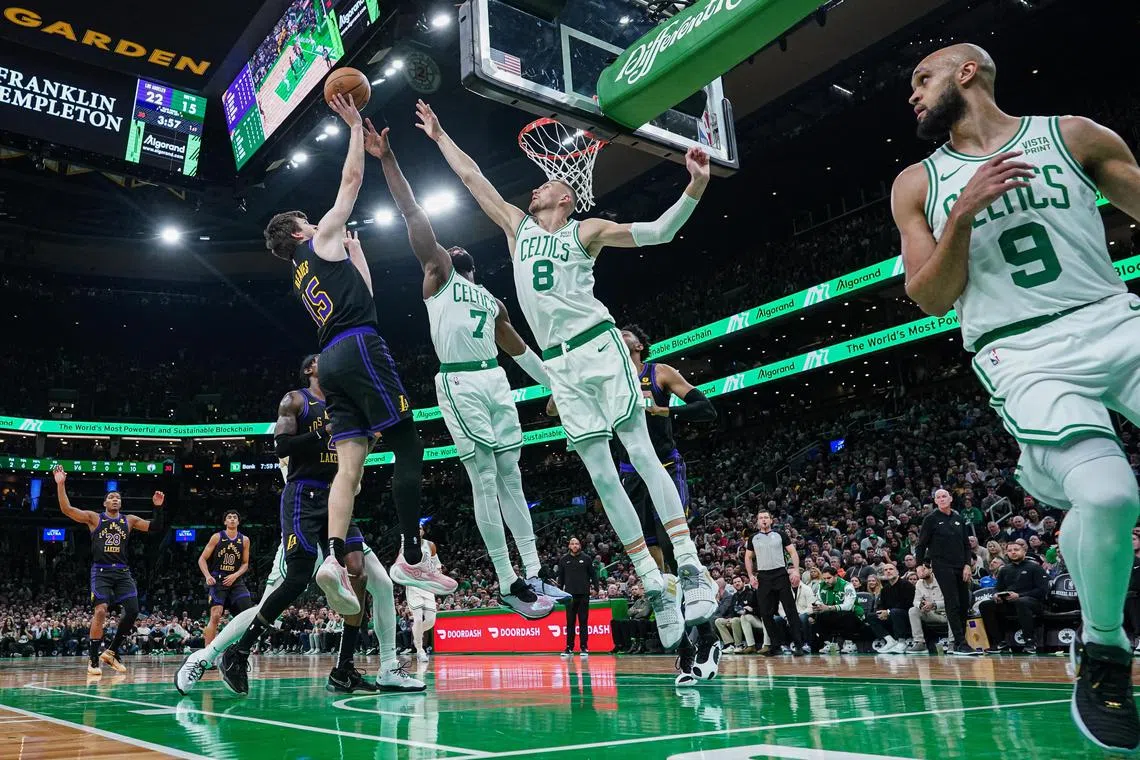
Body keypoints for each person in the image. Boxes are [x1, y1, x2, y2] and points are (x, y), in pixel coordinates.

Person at [893, 41, 1140, 751]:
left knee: (1099, 500)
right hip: (1023, 350)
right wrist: (963, 215)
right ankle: (1104, 647)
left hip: (1112, 318)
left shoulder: (1074, 135)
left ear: (967, 72)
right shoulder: (919, 182)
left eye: (924, 78)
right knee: (1109, 497)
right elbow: (929, 296)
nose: (914, 93)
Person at [417, 99, 717, 650]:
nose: (535, 188)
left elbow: (658, 232)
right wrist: (439, 136)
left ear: (567, 196)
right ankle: (652, 582)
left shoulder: (588, 229)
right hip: (559, 365)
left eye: (546, 184)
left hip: (599, 347)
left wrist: (694, 187)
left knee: (641, 452)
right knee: (602, 475)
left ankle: (691, 564)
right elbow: (472, 178)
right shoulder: (517, 228)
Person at [262, 93, 454, 615]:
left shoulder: (302, 273)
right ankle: (411, 555)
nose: (316, 223)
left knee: (351, 464)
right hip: (358, 345)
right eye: (309, 221)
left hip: (331, 358)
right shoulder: (316, 239)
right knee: (408, 443)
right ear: (299, 231)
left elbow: (362, 295)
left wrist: (357, 253)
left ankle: (331, 557)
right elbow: (350, 183)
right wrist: (352, 128)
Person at [367, 122, 560, 619]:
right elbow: (412, 211)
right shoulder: (437, 274)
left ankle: (534, 571)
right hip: (458, 380)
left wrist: (557, 384)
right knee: (485, 478)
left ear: (469, 263)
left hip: (495, 378)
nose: (445, 247)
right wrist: (388, 160)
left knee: (512, 476)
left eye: (452, 249)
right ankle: (507, 580)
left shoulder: (491, 300)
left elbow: (521, 352)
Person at [177, 355, 424, 696]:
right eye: (322, 359)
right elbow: (283, 447)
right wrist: (323, 431)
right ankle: (206, 657)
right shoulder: (296, 401)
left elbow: (355, 456)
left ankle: (365, 668)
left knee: (376, 581)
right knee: (275, 598)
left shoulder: (344, 406)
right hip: (302, 505)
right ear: (309, 369)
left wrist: (372, 436)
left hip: (336, 504)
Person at [54, 465, 164, 676]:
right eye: (111, 497)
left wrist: (157, 508)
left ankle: (111, 651)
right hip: (101, 571)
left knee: (133, 610)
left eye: (118, 498)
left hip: (122, 571)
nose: (115, 500)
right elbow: (67, 509)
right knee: (101, 610)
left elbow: (155, 527)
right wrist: (61, 484)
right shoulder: (95, 518)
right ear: (104, 503)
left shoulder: (129, 520)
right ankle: (93, 658)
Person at [914, 489, 976, 656]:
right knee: (952, 602)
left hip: (960, 566)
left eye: (944, 496)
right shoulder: (931, 519)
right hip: (942, 565)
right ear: (935, 501)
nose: (941, 499)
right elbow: (921, 544)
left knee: (964, 602)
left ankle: (960, 642)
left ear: (950, 498)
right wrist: (919, 565)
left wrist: (967, 565)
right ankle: (960, 642)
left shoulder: (959, 518)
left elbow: (966, 545)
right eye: (938, 497)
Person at [744, 510, 805, 657]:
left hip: (780, 575)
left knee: (790, 611)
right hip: (763, 577)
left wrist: (796, 571)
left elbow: (793, 552)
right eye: (761, 518)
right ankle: (776, 645)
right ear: (757, 522)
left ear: (771, 520)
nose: (764, 520)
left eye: (766, 517)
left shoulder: (780, 534)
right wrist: (751, 576)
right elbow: (748, 557)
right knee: (766, 613)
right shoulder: (753, 538)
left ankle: (798, 645)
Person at [980, 541, 1050, 654]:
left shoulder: (1035, 567)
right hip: (1010, 602)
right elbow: (998, 588)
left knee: (1021, 602)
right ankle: (999, 642)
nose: (1013, 552)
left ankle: (1030, 642)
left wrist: (1019, 595)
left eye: (1016, 550)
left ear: (1024, 551)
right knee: (985, 605)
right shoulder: (1004, 570)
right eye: (1010, 550)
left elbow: (1042, 590)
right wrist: (997, 595)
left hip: (1033, 602)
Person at [197, 510, 253, 647]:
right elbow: (202, 559)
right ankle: (207, 652)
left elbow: (245, 564)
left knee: (247, 613)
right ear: (225, 522)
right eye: (229, 517)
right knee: (216, 615)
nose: (232, 519)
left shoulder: (245, 540)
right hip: (218, 579)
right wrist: (207, 576)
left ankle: (242, 648)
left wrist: (235, 575)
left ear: (238, 522)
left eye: (235, 517)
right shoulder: (217, 537)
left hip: (236, 580)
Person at [557, 537, 599, 657]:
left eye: (576, 543)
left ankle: (584, 647)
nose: (574, 545)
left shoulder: (586, 558)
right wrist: (559, 593)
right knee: (570, 622)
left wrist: (596, 588)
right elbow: (561, 578)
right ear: (569, 546)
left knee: (583, 621)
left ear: (579, 545)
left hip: (583, 594)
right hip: (569, 596)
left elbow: (593, 575)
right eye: (572, 543)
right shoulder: (563, 560)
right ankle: (569, 647)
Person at [408, 524, 442, 664]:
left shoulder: (430, 545)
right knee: (417, 619)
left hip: (427, 586)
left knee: (430, 621)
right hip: (413, 585)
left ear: (423, 531)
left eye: (420, 528)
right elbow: (400, 565)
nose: (418, 530)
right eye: (415, 528)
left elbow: (437, 564)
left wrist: (438, 573)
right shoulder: (406, 546)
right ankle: (420, 650)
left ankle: (416, 631)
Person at [810, 566, 864, 653]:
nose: (826, 581)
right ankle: (830, 644)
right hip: (834, 614)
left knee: (846, 614)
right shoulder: (821, 585)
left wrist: (829, 608)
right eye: (824, 578)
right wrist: (818, 607)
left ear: (836, 576)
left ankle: (850, 643)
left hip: (855, 615)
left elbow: (848, 606)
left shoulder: (847, 585)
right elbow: (818, 600)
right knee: (821, 615)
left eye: (829, 578)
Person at [870, 563, 916, 654]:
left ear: (897, 572)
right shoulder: (885, 589)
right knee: (871, 616)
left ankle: (901, 642)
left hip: (906, 615)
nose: (888, 571)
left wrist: (888, 611)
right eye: (885, 570)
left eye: (891, 569)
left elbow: (907, 604)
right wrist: (882, 612)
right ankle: (890, 641)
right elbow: (882, 605)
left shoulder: (906, 585)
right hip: (891, 615)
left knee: (895, 612)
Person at [907, 564, 949, 654]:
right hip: (931, 613)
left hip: (945, 614)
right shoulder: (919, 583)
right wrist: (921, 606)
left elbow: (950, 602)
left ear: (931, 569)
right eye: (918, 571)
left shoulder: (942, 580)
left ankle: (953, 642)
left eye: (924, 569)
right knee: (913, 610)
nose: (921, 572)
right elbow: (915, 601)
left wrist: (934, 604)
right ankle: (919, 642)